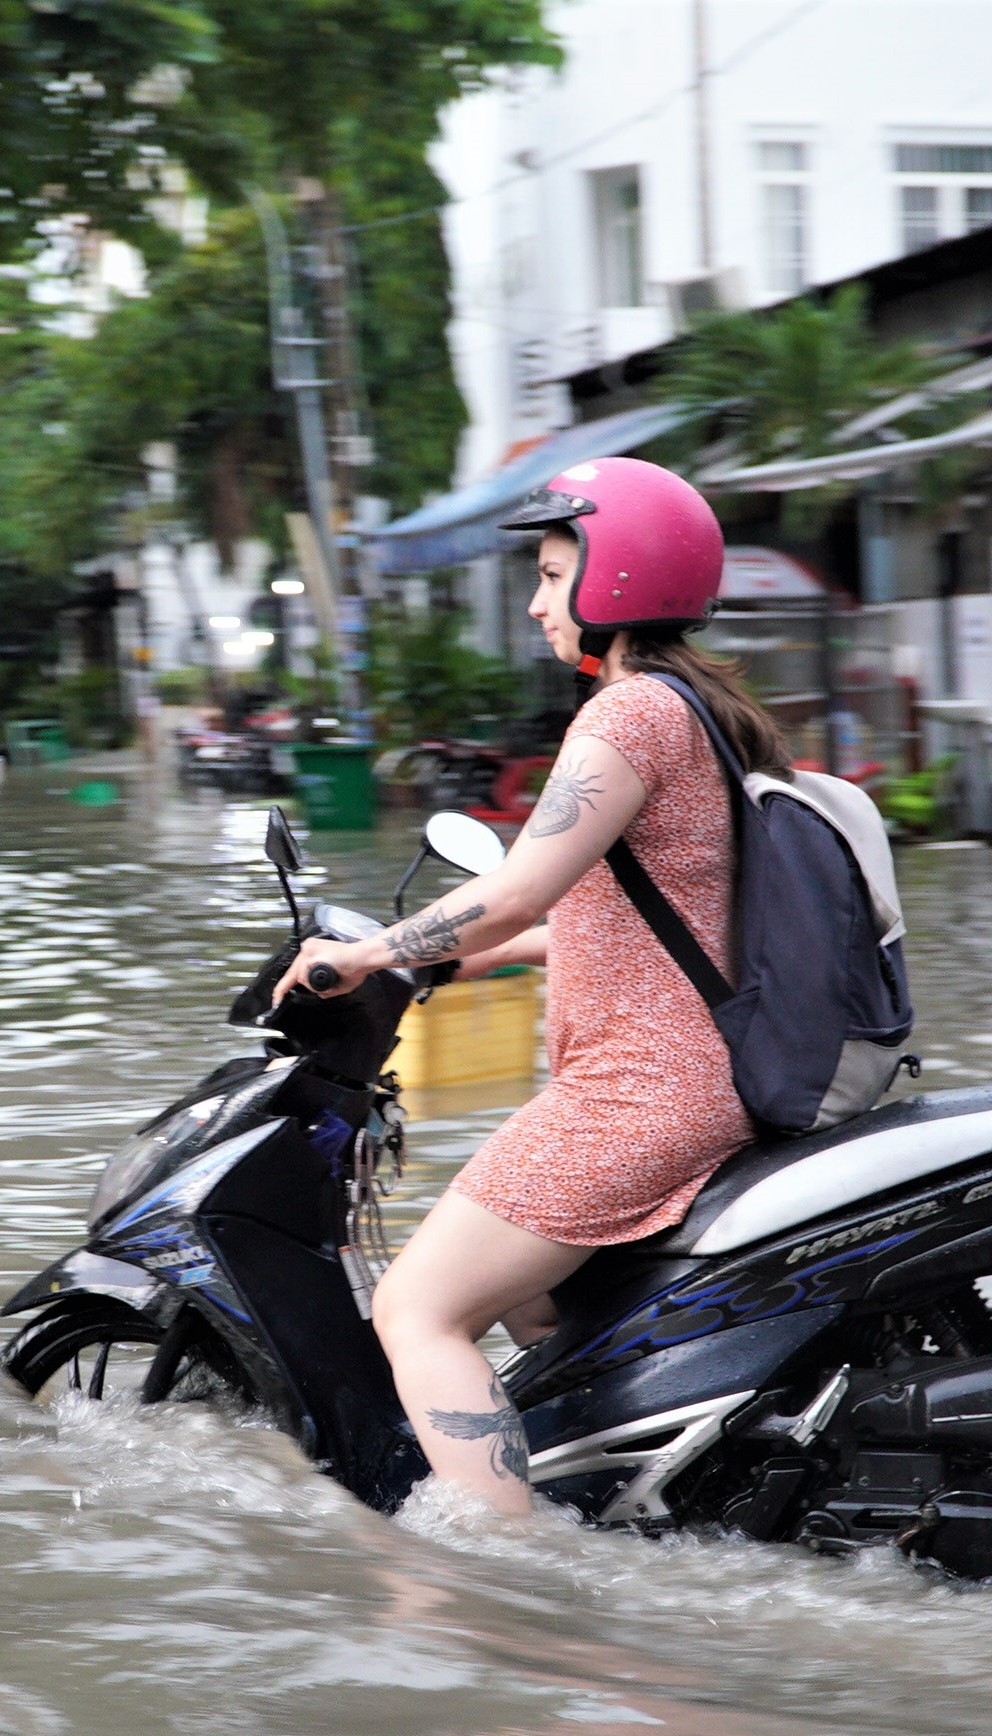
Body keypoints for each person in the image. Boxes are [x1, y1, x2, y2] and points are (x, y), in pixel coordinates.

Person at [270, 457, 797, 1518]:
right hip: (697, 1076)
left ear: (616, 578)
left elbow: (519, 886)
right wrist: (455, 956)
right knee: (539, 1309)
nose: (533, 600)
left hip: (641, 1090)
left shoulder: (626, 715)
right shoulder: (700, 710)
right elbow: (624, 919)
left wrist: (370, 955)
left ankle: (505, 1571)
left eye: (552, 573)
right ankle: (624, 1494)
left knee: (415, 1306)